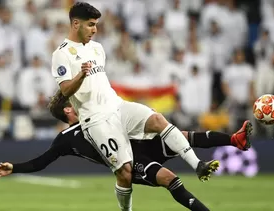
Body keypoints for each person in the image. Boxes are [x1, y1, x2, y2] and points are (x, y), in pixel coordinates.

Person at [51, 3, 215, 210]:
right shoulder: (61, 54)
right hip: (95, 119)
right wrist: (81, 75)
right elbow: (65, 91)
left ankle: (198, 164)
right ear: (75, 24)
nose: (95, 29)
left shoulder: (97, 48)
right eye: (91, 25)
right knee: (125, 172)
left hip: (117, 105)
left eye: (96, 25)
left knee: (157, 120)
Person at [0, 92, 253, 211]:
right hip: (131, 161)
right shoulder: (65, 139)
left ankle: (235, 139)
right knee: (169, 179)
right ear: (68, 111)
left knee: (180, 135)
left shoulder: (98, 112)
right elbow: (41, 162)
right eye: (73, 101)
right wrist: (15, 167)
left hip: (142, 143)